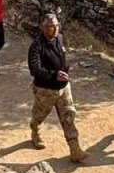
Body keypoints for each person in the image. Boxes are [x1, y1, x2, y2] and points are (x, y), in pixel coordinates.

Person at [27, 14, 89, 162]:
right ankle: (35, 131)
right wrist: (54, 74)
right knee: (39, 115)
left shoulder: (60, 38)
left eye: (56, 26)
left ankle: (75, 149)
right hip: (45, 89)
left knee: (69, 116)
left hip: (64, 87)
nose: (53, 29)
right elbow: (34, 69)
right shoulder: (36, 46)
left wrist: (65, 70)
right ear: (42, 27)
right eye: (49, 26)